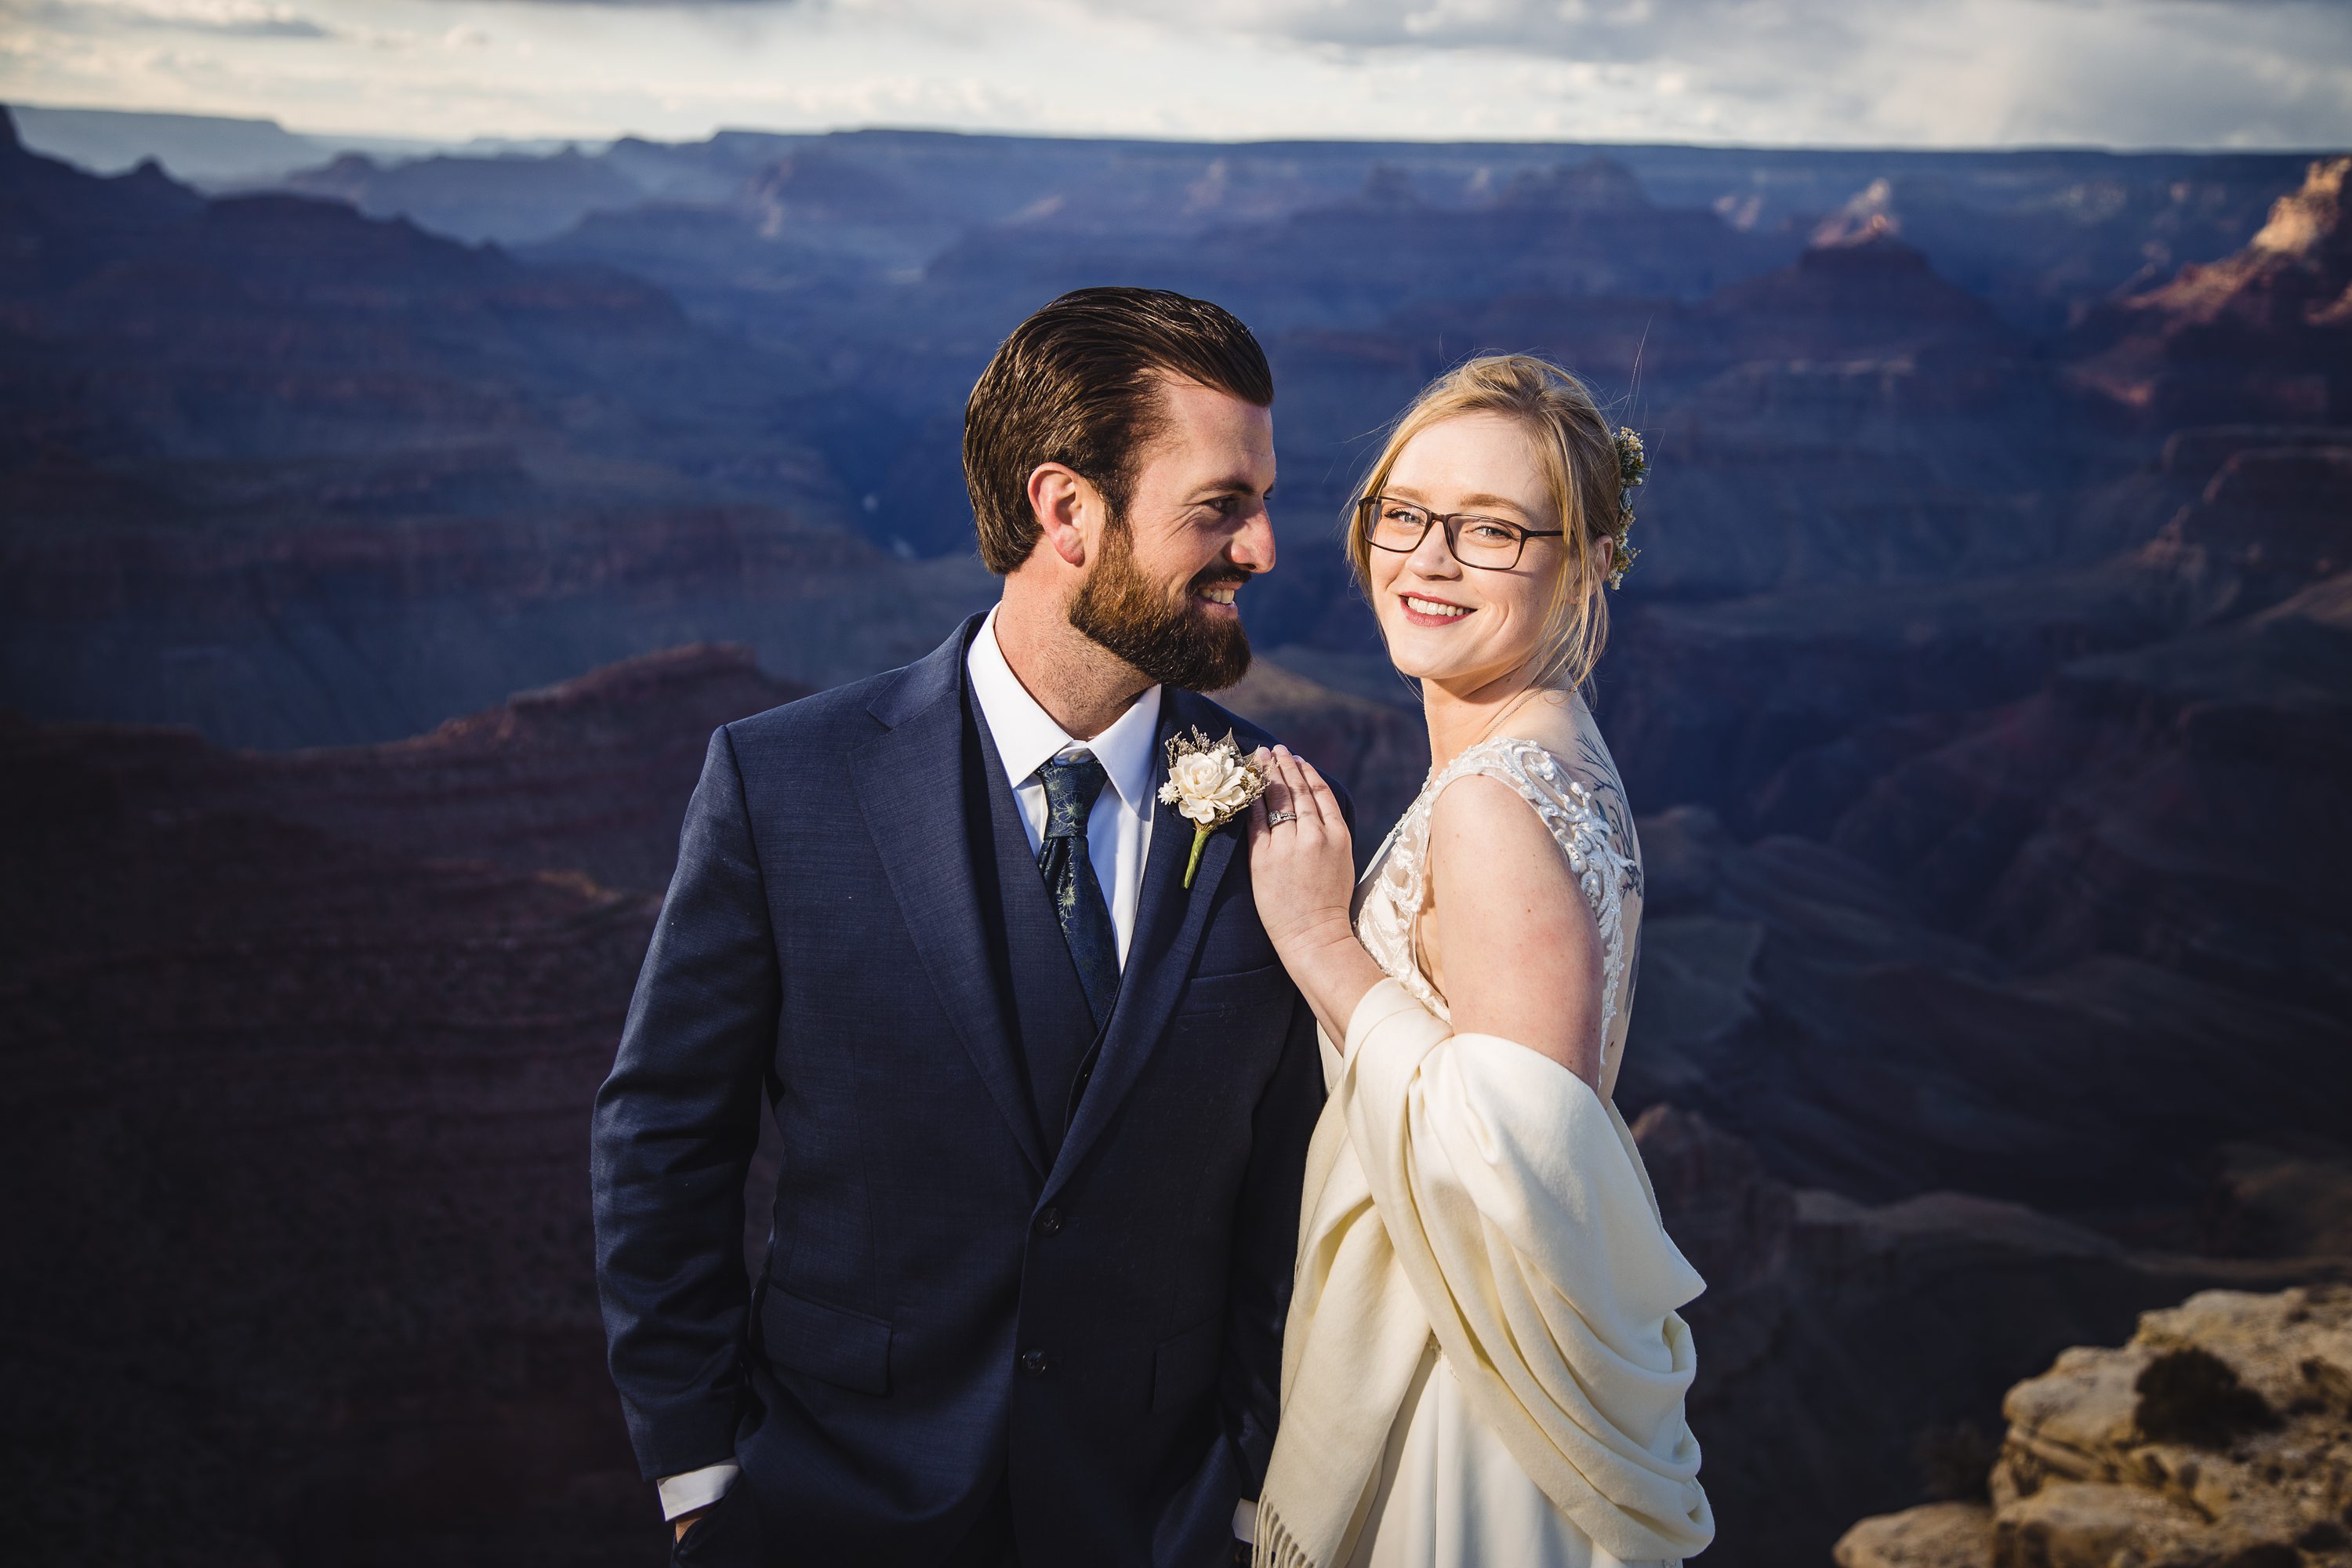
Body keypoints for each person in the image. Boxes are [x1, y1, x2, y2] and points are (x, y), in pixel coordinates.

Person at [590, 287, 1330, 1566]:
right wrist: (701, 1470)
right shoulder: (785, 784)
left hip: (1158, 1523)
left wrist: (1258, 1492)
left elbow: (1291, 1200)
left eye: (1260, 503)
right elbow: (664, 1138)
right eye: (1221, 508)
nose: (1263, 550)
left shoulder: (1283, 815)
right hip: (832, 1505)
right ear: (1065, 511)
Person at [1242, 355, 1715, 1568]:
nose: (1429, 558)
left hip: (1466, 1399)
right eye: (1405, 513)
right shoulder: (1553, 746)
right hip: (1471, 1344)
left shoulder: (1493, 804)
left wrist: (1318, 944)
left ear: (1590, 556)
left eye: (1494, 530)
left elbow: (1522, 1160)